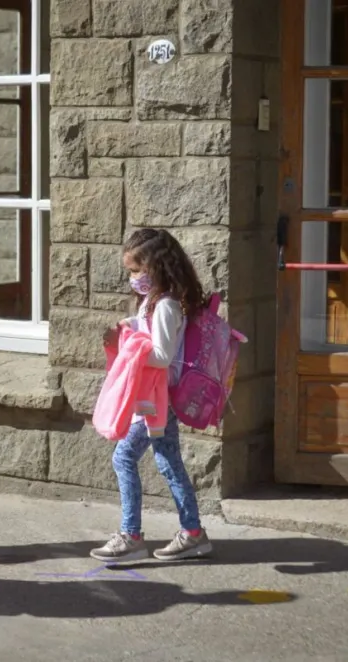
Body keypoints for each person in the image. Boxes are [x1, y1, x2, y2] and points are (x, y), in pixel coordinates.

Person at [90, 228, 212, 563]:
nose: (132, 278)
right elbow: (147, 326)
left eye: (135, 270)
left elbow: (160, 354)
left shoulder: (167, 305)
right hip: (158, 397)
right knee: (168, 462)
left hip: (156, 398)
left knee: (124, 458)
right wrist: (128, 324)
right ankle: (193, 533)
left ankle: (131, 536)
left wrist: (132, 345)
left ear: (155, 267)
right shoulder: (156, 301)